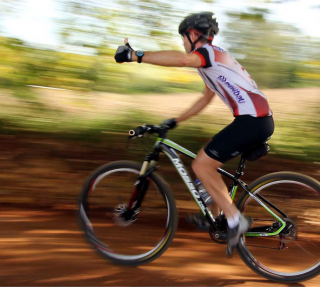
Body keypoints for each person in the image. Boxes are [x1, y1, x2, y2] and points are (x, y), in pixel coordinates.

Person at [114, 12, 274, 257]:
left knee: (201, 166)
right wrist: (175, 121)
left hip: (252, 121)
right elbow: (205, 98)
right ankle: (219, 216)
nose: (182, 44)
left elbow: (181, 60)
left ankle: (235, 220)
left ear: (193, 35)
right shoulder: (213, 62)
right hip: (254, 120)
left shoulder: (208, 53)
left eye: (182, 38)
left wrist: (136, 55)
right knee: (207, 155)